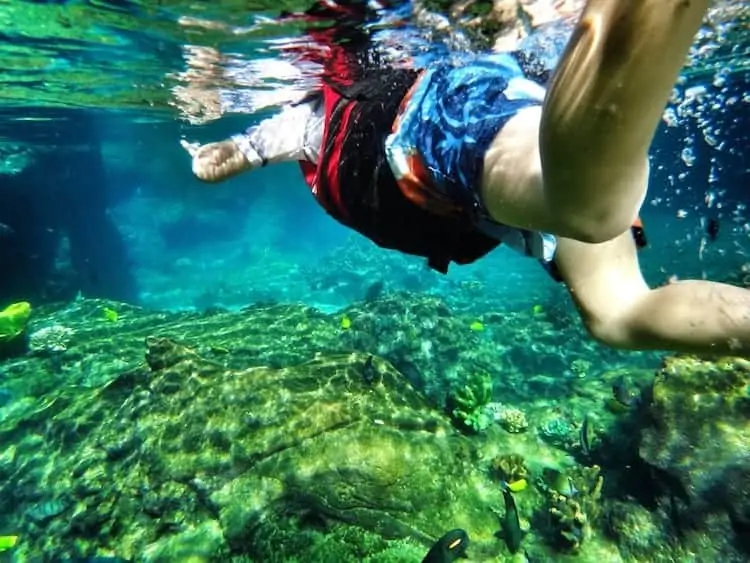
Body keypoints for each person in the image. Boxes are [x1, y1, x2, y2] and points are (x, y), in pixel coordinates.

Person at [182, 0, 750, 357]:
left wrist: (215, 157)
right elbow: (246, 152)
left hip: (441, 126)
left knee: (584, 211)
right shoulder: (324, 116)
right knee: (618, 314)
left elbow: (246, 151)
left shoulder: (316, 115)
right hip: (494, 154)